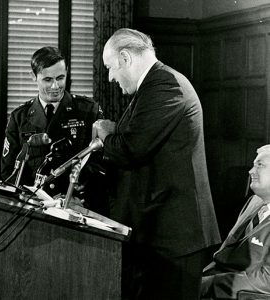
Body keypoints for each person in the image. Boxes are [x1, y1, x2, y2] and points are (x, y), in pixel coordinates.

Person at [94, 28, 221, 299]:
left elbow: (131, 148)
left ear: (126, 58)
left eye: (110, 67)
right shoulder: (155, 85)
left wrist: (105, 132)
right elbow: (142, 139)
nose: (110, 77)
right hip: (160, 234)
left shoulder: (165, 85)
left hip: (176, 238)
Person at [1, 46, 104, 200]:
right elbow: (9, 171)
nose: (55, 86)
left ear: (67, 72)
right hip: (32, 206)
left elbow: (101, 162)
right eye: (48, 80)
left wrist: (84, 182)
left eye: (60, 78)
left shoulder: (88, 110)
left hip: (75, 202)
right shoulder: (19, 117)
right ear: (33, 76)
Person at [201, 145, 270, 299]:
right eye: (253, 165)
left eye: (260, 165)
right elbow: (223, 255)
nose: (251, 171)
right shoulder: (254, 202)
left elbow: (267, 280)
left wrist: (208, 284)